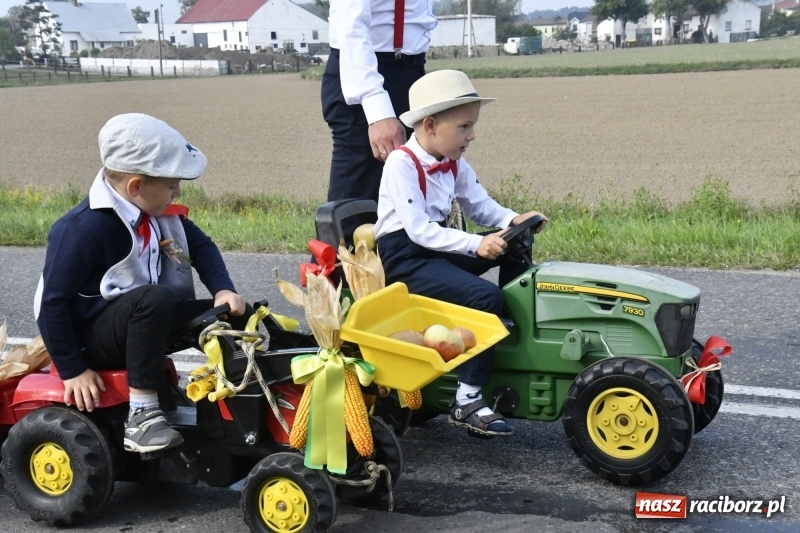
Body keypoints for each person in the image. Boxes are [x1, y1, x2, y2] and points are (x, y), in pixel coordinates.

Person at [34, 113, 248, 454]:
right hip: (92, 340)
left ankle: (240, 393)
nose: (177, 191)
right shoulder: (82, 229)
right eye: (170, 184)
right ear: (136, 186)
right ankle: (142, 415)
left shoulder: (157, 216)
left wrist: (223, 289)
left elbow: (201, 248)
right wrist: (74, 369)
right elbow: (51, 305)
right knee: (153, 300)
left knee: (226, 312)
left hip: (140, 321)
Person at [374, 70, 548, 437]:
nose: (472, 135)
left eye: (473, 126)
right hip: (406, 258)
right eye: (465, 127)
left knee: (514, 241)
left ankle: (512, 325)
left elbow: (481, 206)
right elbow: (418, 230)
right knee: (484, 296)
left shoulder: (453, 161)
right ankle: (467, 398)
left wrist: (514, 220)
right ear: (432, 125)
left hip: (436, 246)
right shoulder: (401, 164)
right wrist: (475, 244)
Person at [322, 0, 437, 205]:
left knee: (407, 202)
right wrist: (377, 110)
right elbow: (350, 25)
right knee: (357, 208)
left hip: (408, 69)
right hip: (368, 72)